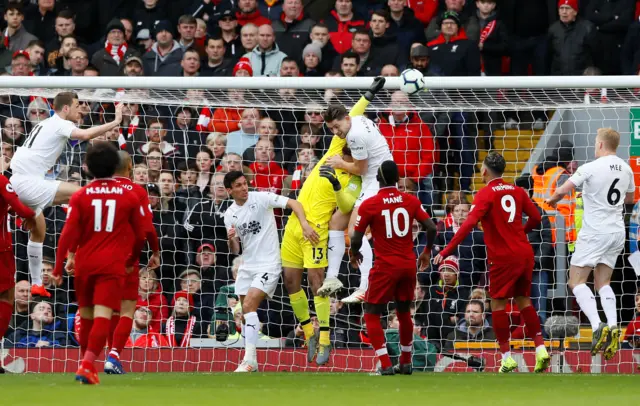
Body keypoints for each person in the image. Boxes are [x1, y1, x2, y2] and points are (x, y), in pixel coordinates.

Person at [434, 152, 550, 374]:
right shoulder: (517, 191)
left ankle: (506, 358)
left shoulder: (485, 194)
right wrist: (520, 235)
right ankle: (541, 349)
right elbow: (536, 218)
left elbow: (468, 225)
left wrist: (447, 250)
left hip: (502, 257)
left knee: (497, 305)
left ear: (484, 171)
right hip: (524, 253)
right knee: (525, 301)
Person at [9, 92, 124, 298]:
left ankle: (36, 284)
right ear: (65, 109)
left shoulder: (46, 124)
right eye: (77, 105)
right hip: (30, 182)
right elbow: (85, 135)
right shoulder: (59, 123)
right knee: (84, 196)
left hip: (20, 182)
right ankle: (90, 248)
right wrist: (116, 121)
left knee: (39, 232)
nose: (80, 109)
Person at [53, 141, 146, 385]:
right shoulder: (130, 194)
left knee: (86, 315)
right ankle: (94, 362)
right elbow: (142, 233)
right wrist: (135, 258)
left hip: (84, 262)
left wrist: (59, 264)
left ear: (88, 169)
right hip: (113, 263)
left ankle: (85, 363)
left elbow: (68, 234)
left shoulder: (80, 195)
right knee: (107, 314)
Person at [545, 128, 634, 361]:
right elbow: (631, 199)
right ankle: (614, 326)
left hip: (594, 233)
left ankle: (597, 326)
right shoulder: (626, 168)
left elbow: (565, 189)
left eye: (596, 142)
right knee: (603, 282)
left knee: (576, 282)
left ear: (602, 145)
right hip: (616, 232)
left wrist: (551, 199)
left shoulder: (590, 167)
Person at [224, 170, 318, 372]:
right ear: (229, 190)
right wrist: (231, 238)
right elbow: (235, 249)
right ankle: (252, 360)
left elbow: (295, 203)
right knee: (246, 311)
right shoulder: (230, 214)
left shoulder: (262, 198)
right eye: (239, 186)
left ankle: (249, 360)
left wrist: (304, 224)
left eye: (244, 183)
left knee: (249, 305)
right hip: (247, 266)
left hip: (268, 264)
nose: (244, 188)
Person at [350, 160, 436, 375]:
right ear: (398, 179)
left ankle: (386, 364)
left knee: (371, 313)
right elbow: (431, 227)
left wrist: (354, 253)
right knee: (404, 311)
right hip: (408, 265)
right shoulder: (410, 200)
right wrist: (426, 252)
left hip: (385, 266)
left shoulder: (370, 204)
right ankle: (405, 362)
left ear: (378, 179)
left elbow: (356, 237)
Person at [321, 77, 395, 304]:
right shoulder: (357, 117)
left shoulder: (354, 136)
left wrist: (339, 163)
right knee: (336, 223)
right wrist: (371, 91)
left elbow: (361, 168)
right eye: (331, 129)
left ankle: (365, 285)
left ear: (346, 119)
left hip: (376, 180)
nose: (336, 132)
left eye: (337, 127)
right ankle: (332, 277)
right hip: (374, 176)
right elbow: (361, 105)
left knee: (355, 231)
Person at [104, 151, 161, 375]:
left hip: (100, 258)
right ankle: (114, 355)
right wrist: (155, 251)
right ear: (129, 167)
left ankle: (101, 354)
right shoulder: (137, 191)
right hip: (127, 258)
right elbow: (147, 227)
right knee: (128, 309)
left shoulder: (98, 189)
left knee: (108, 310)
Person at [0, 174, 36, 364]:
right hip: (1, 249)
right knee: (6, 296)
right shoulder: (1, 180)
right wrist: (34, 214)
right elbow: (22, 209)